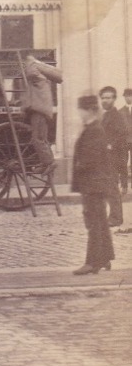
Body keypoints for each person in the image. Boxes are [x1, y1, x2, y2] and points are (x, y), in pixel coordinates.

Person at [71, 93, 116, 275]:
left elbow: (91, 158)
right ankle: (105, 258)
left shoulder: (94, 129)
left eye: (81, 110)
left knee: (94, 222)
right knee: (100, 221)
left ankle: (92, 262)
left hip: (93, 183)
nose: (79, 113)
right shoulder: (92, 127)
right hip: (95, 183)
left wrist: (80, 167)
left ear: (89, 110)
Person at [20, 54, 63, 172]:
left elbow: (32, 75)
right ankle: (45, 163)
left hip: (39, 109)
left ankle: (49, 162)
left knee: (38, 138)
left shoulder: (32, 67)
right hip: (40, 108)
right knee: (41, 137)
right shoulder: (35, 69)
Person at [99, 86, 128, 231]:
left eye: (108, 97)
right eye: (103, 98)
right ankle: (111, 216)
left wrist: (110, 145)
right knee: (106, 187)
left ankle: (116, 218)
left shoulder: (116, 116)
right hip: (104, 157)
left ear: (114, 99)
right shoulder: (105, 116)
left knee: (112, 188)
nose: (105, 100)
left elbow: (122, 135)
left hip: (114, 157)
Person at [119, 87, 132, 195]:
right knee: (122, 163)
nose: (128, 98)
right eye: (126, 96)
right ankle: (124, 186)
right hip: (123, 141)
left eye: (130, 95)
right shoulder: (120, 111)